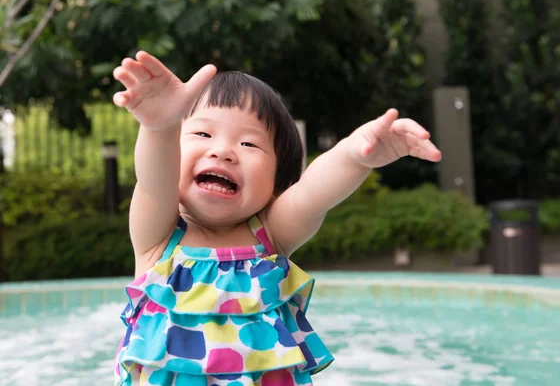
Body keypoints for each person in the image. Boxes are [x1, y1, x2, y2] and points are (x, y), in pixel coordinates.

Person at [112, 51, 442, 386]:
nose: (223, 151)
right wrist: (160, 127)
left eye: (248, 143)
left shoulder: (270, 235)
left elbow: (314, 192)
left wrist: (354, 155)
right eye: (202, 134)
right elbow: (155, 180)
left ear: (276, 185)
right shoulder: (158, 236)